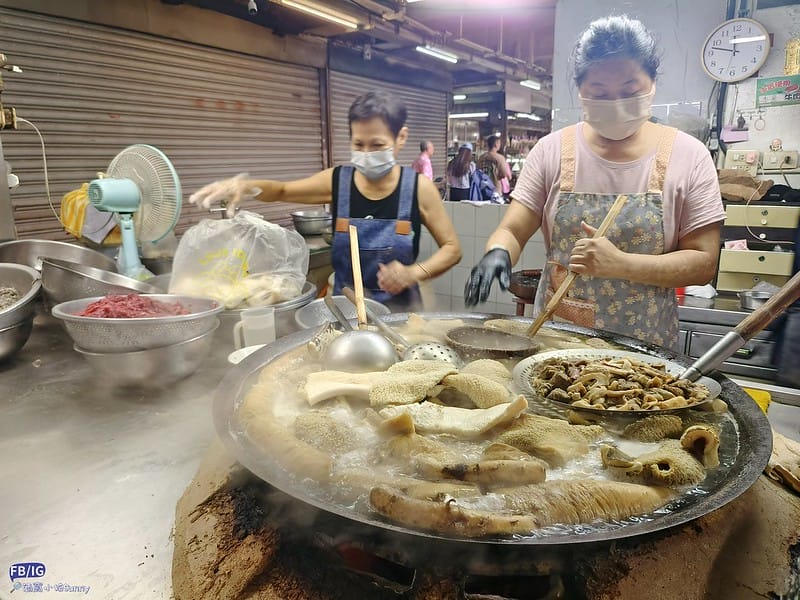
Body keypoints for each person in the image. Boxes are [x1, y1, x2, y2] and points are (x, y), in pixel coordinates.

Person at [464, 15, 725, 351]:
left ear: (652, 84)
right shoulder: (552, 150)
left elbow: (704, 262)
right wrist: (497, 253)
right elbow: (513, 230)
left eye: (629, 91)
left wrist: (621, 264)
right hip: (557, 343)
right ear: (581, 91)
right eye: (599, 92)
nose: (615, 103)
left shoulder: (689, 155)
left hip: (644, 350)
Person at [189, 91, 461, 312]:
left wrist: (414, 272)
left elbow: (452, 248)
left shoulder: (418, 189)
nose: (366, 153)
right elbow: (283, 191)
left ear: (400, 137)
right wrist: (246, 186)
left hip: (401, 317)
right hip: (345, 312)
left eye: (377, 145)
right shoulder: (338, 181)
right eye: (358, 144)